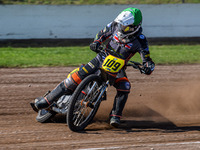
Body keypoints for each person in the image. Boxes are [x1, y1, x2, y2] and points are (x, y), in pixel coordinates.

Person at [32, 7, 155, 127]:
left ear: (135, 26)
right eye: (121, 25)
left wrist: (148, 67)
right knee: (78, 75)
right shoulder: (114, 25)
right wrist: (96, 42)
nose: (121, 28)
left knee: (125, 86)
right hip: (101, 57)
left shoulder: (141, 40)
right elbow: (101, 34)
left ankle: (115, 116)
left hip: (118, 67)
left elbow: (147, 59)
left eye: (125, 26)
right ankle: (48, 100)